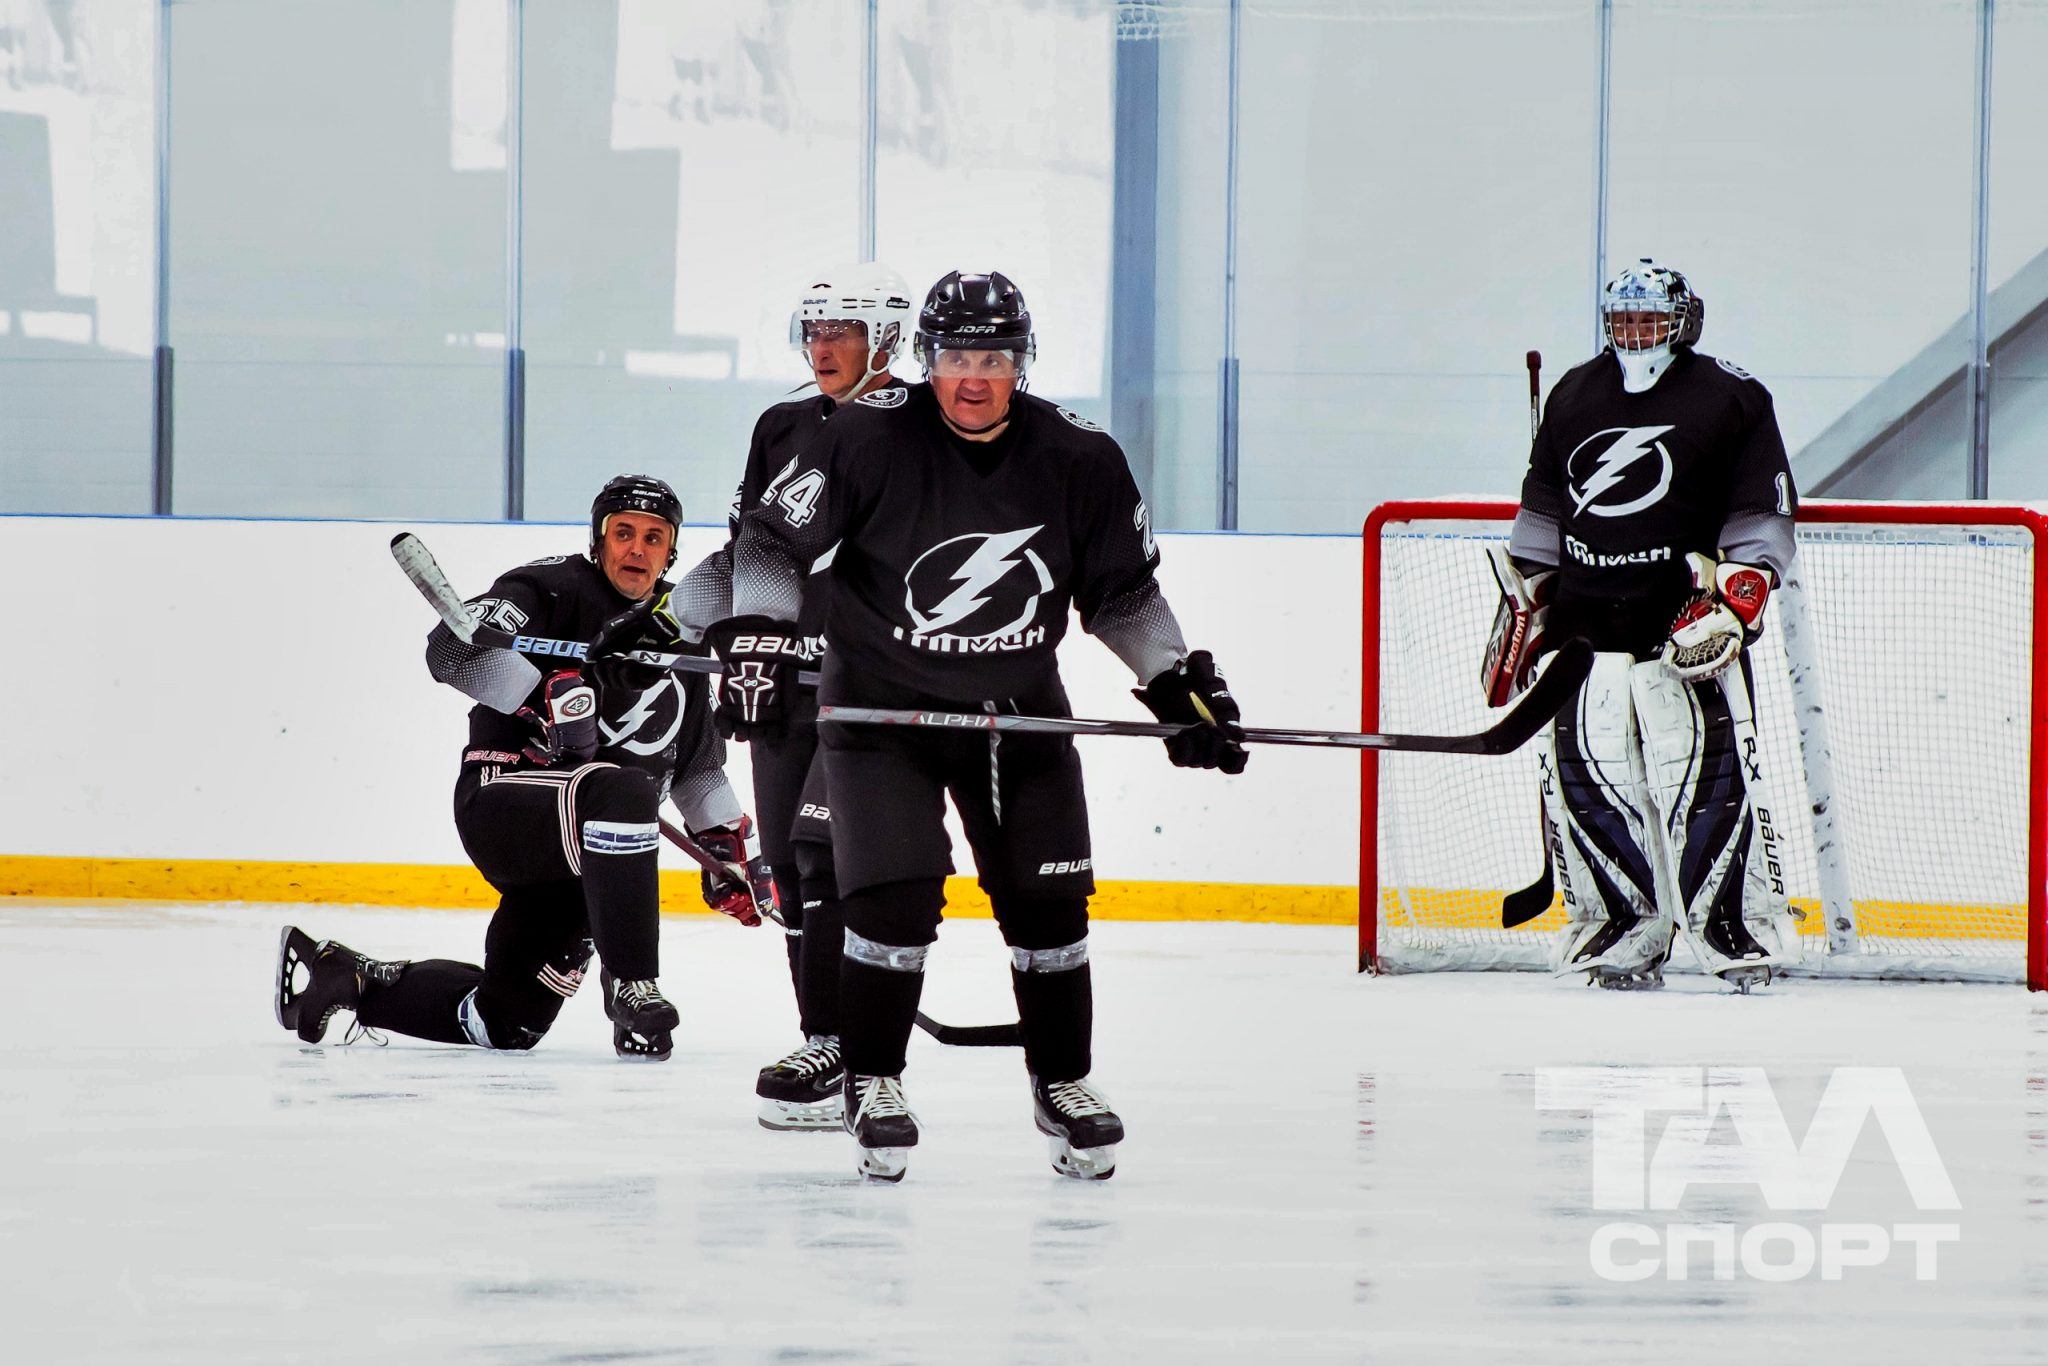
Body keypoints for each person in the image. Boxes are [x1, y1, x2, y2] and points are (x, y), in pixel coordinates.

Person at [706, 270, 1247, 1182]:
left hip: (1018, 711)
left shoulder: (1082, 459)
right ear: (927, 360)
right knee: (893, 901)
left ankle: (1062, 1081)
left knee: (1049, 906)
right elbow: (768, 541)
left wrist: (1173, 680)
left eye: (994, 358)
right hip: (883, 710)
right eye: (957, 356)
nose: (973, 377)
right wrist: (757, 634)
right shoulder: (866, 438)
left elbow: (1120, 593)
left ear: (1022, 364)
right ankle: (874, 1079)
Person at [273, 475, 773, 1060]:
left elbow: (696, 770)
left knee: (507, 1023)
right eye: (623, 533)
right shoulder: (550, 587)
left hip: (589, 856)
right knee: (622, 791)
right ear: (599, 541)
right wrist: (538, 698)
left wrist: (732, 855)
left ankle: (351, 979)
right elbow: (450, 649)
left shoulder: (682, 636)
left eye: (654, 537)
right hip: (507, 802)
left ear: (671, 552)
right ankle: (634, 981)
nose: (637, 548)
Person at [1487, 258, 1800, 993]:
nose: (1634, 333)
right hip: (1583, 629)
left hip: (1684, 628)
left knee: (1711, 784)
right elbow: (1543, 511)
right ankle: (1620, 927)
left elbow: (1763, 511)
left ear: (1682, 320)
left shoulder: (1731, 394)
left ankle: (1736, 927)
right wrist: (1524, 603)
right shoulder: (1573, 392)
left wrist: (1737, 602)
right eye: (1622, 320)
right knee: (1593, 784)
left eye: (1648, 320)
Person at [668, 262, 915, 1130]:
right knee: (790, 874)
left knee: (827, 855)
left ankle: (858, 1049)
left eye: (841, 331)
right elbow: (752, 553)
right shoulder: (779, 425)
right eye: (813, 330)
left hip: (865, 688)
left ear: (887, 337)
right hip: (780, 687)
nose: (822, 347)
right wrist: (672, 624)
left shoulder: (916, 428)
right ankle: (825, 1037)